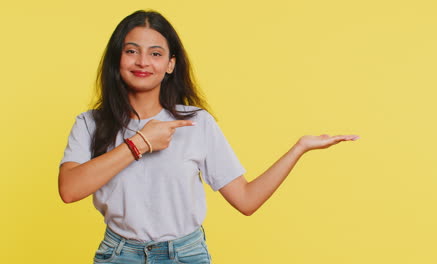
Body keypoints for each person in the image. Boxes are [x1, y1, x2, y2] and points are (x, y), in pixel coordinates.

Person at [58, 10, 359, 264]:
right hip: (119, 254)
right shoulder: (90, 124)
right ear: (118, 58)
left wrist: (299, 148)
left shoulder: (195, 123)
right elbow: (69, 190)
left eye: (156, 54)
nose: (143, 62)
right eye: (131, 51)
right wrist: (140, 142)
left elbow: (246, 200)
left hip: (185, 255)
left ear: (170, 64)